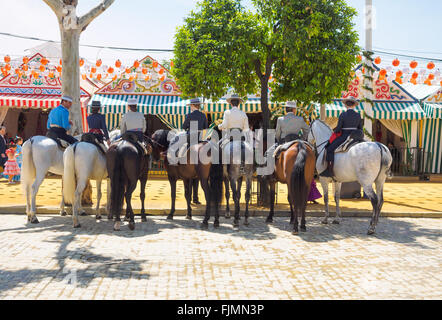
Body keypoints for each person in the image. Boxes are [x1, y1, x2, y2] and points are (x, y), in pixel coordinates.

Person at [324, 96, 363, 177]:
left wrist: (335, 132)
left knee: (329, 149)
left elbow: (338, 129)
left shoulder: (343, 114)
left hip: (345, 137)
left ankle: (330, 170)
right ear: (354, 105)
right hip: (356, 137)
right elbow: (360, 128)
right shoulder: (358, 115)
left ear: (346, 105)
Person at [182, 98, 209, 205]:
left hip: (191, 139)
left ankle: (178, 161)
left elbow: (184, 127)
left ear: (193, 106)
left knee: (181, 149)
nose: (190, 107)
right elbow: (205, 128)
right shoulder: (203, 115)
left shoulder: (189, 115)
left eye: (190, 106)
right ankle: (196, 198)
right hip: (201, 139)